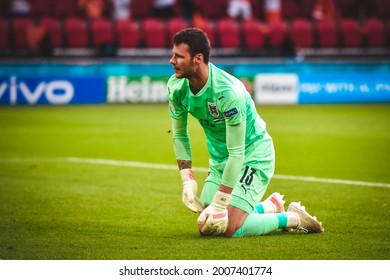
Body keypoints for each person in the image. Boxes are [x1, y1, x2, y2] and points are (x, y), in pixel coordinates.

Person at [167, 28, 324, 237]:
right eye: (173, 54)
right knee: (209, 223)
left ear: (198, 59)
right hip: (221, 160)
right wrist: (187, 179)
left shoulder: (228, 92)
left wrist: (221, 201)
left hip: (253, 155)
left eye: (179, 56)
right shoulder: (175, 86)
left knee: (229, 228)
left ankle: (292, 218)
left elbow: (237, 153)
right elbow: (179, 135)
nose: (172, 60)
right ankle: (268, 207)